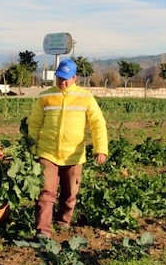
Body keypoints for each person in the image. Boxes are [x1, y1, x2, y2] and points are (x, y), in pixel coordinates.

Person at [27, 58, 109, 239]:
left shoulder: (86, 97)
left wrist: (100, 149)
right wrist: (32, 147)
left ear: (75, 78)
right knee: (46, 192)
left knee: (70, 192)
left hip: (74, 155)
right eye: (59, 77)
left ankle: (63, 221)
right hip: (47, 152)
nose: (62, 82)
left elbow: (97, 124)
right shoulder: (45, 96)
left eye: (66, 78)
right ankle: (43, 230)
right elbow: (34, 124)